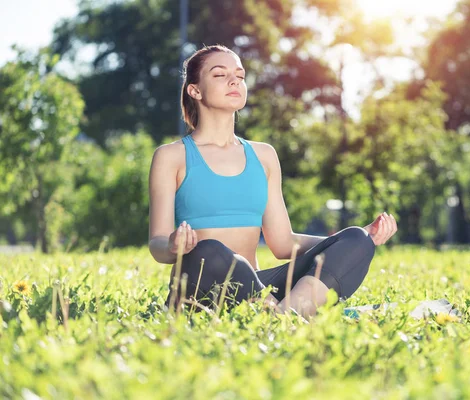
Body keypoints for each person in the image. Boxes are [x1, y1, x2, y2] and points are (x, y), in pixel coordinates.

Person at [148, 44, 397, 319]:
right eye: (220, 75)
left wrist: (352, 239)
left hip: (256, 288)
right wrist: (173, 246)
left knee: (356, 239)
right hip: (201, 282)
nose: (234, 81)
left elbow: (282, 243)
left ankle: (283, 314)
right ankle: (288, 314)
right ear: (194, 90)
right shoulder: (172, 156)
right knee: (209, 250)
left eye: (240, 76)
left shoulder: (263, 155)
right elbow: (157, 244)